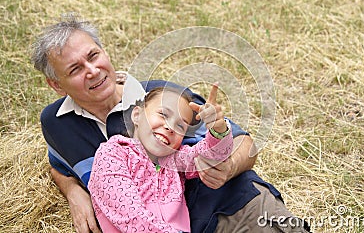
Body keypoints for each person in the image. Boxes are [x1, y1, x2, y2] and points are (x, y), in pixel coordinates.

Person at [31, 13, 310, 233]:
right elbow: (59, 163)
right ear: (56, 85)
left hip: (222, 203)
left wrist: (226, 167)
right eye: (75, 69)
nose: (92, 71)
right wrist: (73, 192)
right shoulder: (57, 124)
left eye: (93, 56)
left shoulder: (163, 97)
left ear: (104, 52)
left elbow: (243, 143)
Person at [89, 84, 234, 232]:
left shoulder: (175, 160)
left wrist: (218, 129)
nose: (170, 127)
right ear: (137, 115)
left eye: (180, 126)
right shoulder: (112, 154)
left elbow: (212, 156)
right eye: (163, 115)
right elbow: (131, 217)